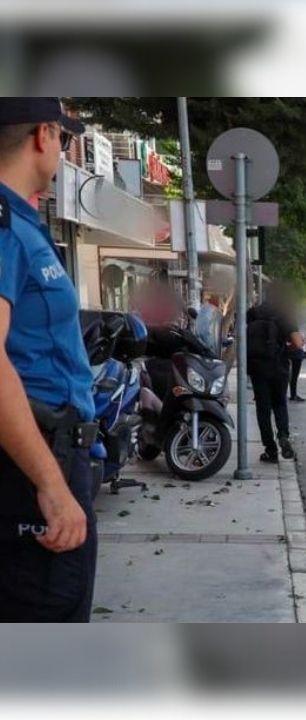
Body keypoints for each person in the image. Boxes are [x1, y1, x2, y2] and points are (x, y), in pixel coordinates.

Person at [0, 98, 98, 621]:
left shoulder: (22, 221)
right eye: (63, 136)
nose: (63, 148)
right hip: (29, 463)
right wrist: (50, 483)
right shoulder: (3, 226)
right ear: (43, 135)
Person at [246, 284, 304, 463]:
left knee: (262, 409)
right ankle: (283, 436)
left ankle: (270, 449)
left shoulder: (253, 312)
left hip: (257, 367)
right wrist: (287, 345)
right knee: (280, 404)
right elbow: (298, 343)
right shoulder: (285, 315)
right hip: (278, 366)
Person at [287, 334, 306, 403]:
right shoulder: (295, 328)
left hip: (296, 353)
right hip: (296, 353)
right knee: (293, 376)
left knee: (292, 376)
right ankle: (293, 395)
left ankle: (292, 394)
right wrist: (302, 341)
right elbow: (298, 344)